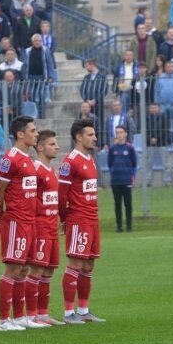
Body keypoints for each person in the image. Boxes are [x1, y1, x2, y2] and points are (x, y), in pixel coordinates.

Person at [0, 116, 45, 330]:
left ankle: (19, 316)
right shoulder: (11, 158)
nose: (36, 134)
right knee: (13, 268)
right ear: (20, 134)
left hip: (30, 220)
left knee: (24, 268)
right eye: (33, 131)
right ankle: (4, 319)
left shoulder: (28, 159)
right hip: (16, 220)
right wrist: (2, 213)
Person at [58, 119, 105, 324]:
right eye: (90, 134)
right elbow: (62, 195)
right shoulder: (70, 161)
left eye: (94, 134)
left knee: (88, 265)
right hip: (78, 218)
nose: (94, 138)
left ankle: (84, 310)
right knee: (76, 263)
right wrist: (65, 219)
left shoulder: (90, 159)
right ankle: (69, 313)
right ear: (78, 137)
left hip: (92, 218)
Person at [30, 129, 65, 326]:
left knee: (48, 271)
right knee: (37, 270)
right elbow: (30, 199)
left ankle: (43, 314)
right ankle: (32, 314)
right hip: (41, 226)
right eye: (52, 144)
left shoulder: (51, 170)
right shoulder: (36, 170)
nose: (57, 147)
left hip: (52, 227)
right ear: (41, 147)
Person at [108, 125, 137, 233]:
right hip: (116, 181)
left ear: (125, 134)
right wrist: (113, 174)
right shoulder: (112, 149)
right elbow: (110, 164)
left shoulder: (130, 148)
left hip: (126, 180)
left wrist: (132, 176)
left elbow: (134, 164)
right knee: (117, 204)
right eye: (117, 132)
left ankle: (129, 226)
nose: (119, 134)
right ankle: (119, 226)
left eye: (121, 132)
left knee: (128, 204)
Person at [143, 103, 172, 187]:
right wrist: (150, 139)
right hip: (149, 144)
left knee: (165, 163)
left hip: (162, 143)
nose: (153, 109)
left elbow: (165, 130)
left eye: (155, 107)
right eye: (152, 108)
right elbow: (144, 130)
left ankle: (167, 181)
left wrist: (156, 138)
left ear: (159, 108)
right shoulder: (146, 118)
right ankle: (148, 182)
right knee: (148, 163)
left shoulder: (164, 117)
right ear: (149, 109)